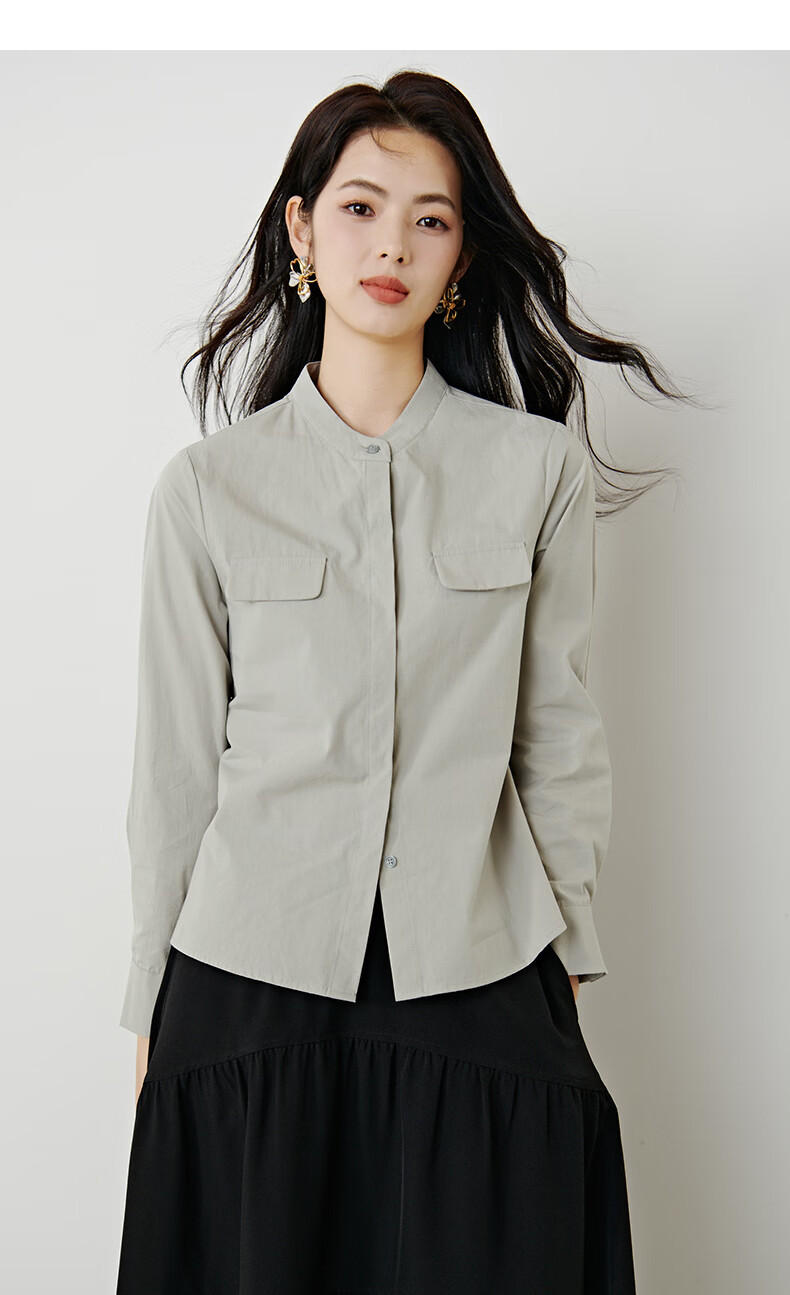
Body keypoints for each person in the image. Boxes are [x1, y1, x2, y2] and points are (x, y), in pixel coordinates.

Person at [116, 69, 693, 1294]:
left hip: (480, 966)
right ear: (301, 232)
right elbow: (174, 769)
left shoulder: (535, 473)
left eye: (429, 219)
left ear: (462, 256)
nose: (392, 246)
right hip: (247, 985)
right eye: (360, 208)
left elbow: (556, 730)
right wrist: (154, 1001)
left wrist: (564, 956)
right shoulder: (208, 490)